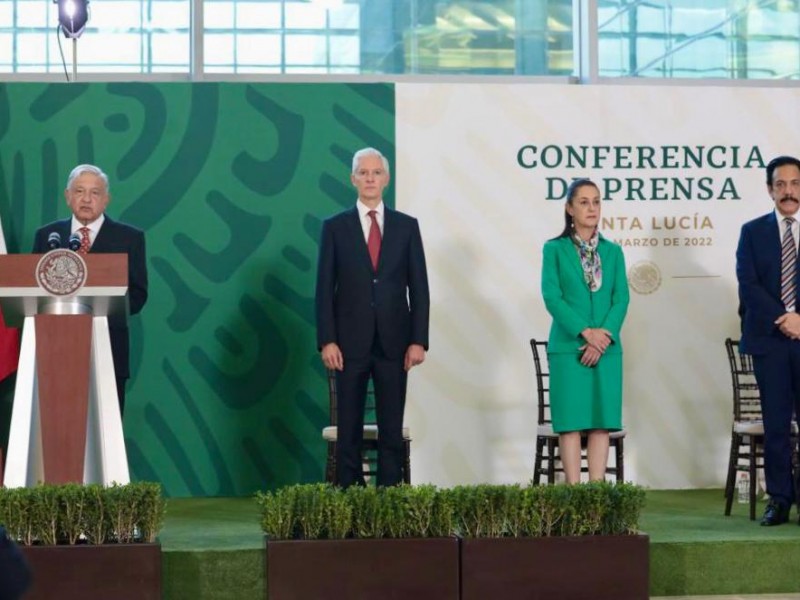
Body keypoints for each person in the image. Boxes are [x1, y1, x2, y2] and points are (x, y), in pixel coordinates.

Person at [315, 147, 430, 488]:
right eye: (363, 172)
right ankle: (351, 498)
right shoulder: (335, 228)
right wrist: (327, 340)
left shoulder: (407, 227)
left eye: (375, 172)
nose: (369, 178)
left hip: (396, 343)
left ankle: (390, 498)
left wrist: (418, 340)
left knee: (391, 428)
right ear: (353, 179)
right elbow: (324, 289)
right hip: (348, 344)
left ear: (386, 179)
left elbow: (419, 288)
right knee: (348, 427)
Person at [32, 164, 148, 416]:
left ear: (106, 200)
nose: (86, 199)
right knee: (56, 424)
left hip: (107, 347)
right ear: (67, 196)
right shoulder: (47, 236)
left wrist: (105, 306)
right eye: (79, 191)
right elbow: (32, 290)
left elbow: (138, 294)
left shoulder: (129, 238)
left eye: (95, 193)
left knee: (105, 428)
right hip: (55, 350)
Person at [541, 178, 629, 484]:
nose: (592, 208)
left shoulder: (614, 252)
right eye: (584, 202)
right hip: (569, 349)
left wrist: (602, 337)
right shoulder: (554, 249)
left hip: (606, 350)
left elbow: (621, 299)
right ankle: (574, 496)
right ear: (569, 208)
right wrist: (585, 333)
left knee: (600, 424)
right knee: (571, 424)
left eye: (596, 202)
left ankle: (596, 495)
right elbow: (552, 297)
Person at [736, 155, 800, 526]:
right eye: (780, 184)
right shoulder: (752, 232)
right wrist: (786, 319)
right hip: (770, 341)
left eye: (794, 183)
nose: (788, 191)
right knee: (776, 425)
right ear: (770, 189)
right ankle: (779, 499)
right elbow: (749, 285)